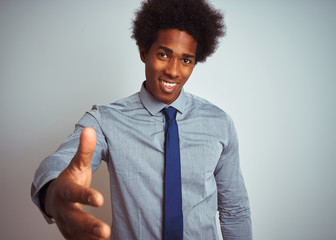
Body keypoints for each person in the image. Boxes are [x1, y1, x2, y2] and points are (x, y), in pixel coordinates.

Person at [31, 0, 252, 239]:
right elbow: (61, 160)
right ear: (144, 52)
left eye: (186, 60)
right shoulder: (107, 120)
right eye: (163, 54)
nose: (174, 71)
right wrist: (53, 193)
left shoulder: (219, 123)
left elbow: (235, 210)